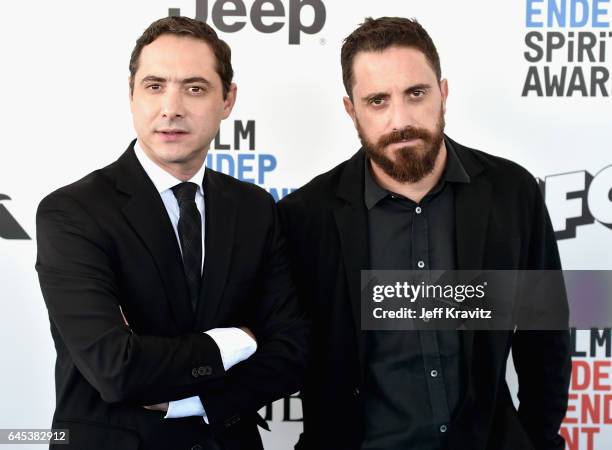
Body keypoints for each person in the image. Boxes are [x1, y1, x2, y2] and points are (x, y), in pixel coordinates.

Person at [278, 16, 570, 450]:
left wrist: (539, 440)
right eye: (377, 100)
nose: (401, 120)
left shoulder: (512, 193)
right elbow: (284, 350)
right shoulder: (305, 217)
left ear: (443, 92)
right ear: (351, 109)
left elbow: (544, 338)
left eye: (416, 93)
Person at [36, 16, 308, 450]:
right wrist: (235, 340)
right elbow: (117, 368)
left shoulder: (254, 208)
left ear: (228, 100)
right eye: (154, 85)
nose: (171, 108)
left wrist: (189, 401)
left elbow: (291, 350)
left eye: (195, 88)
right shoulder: (73, 213)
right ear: (131, 95)